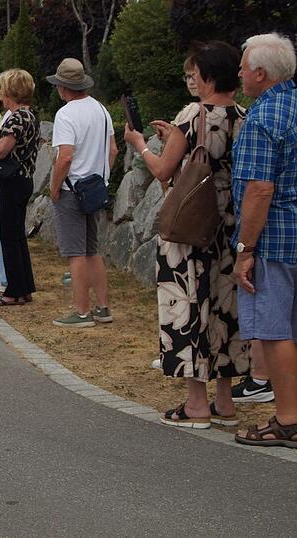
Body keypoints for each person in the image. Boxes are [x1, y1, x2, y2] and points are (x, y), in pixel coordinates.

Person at [123, 43, 249, 428]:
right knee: (226, 307)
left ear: (208, 76)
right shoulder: (244, 115)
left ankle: (196, 403)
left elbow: (164, 171)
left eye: (195, 73)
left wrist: (142, 145)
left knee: (190, 302)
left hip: (191, 226)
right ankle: (225, 401)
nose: (191, 79)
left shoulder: (194, 114)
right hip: (229, 222)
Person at [230, 33, 297, 448]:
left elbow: (259, 189)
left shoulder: (262, 117)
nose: (238, 74)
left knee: (274, 331)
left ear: (260, 73)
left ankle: (288, 419)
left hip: (273, 239)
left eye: (243, 67)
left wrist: (245, 249)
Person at [47, 58, 117, 328]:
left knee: (75, 252)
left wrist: (55, 187)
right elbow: (113, 150)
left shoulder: (65, 114)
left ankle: (82, 311)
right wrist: (103, 178)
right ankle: (102, 307)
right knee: (92, 249)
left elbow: (65, 157)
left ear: (64, 88)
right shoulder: (101, 110)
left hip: (72, 188)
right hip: (95, 187)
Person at [0, 68, 39, 306]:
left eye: (2, 88)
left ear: (10, 91)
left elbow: (2, 150)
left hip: (12, 181)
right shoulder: (28, 115)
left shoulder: (16, 118)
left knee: (9, 237)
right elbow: (4, 141)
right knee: (17, 236)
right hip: (23, 180)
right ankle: (24, 287)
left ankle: (13, 290)